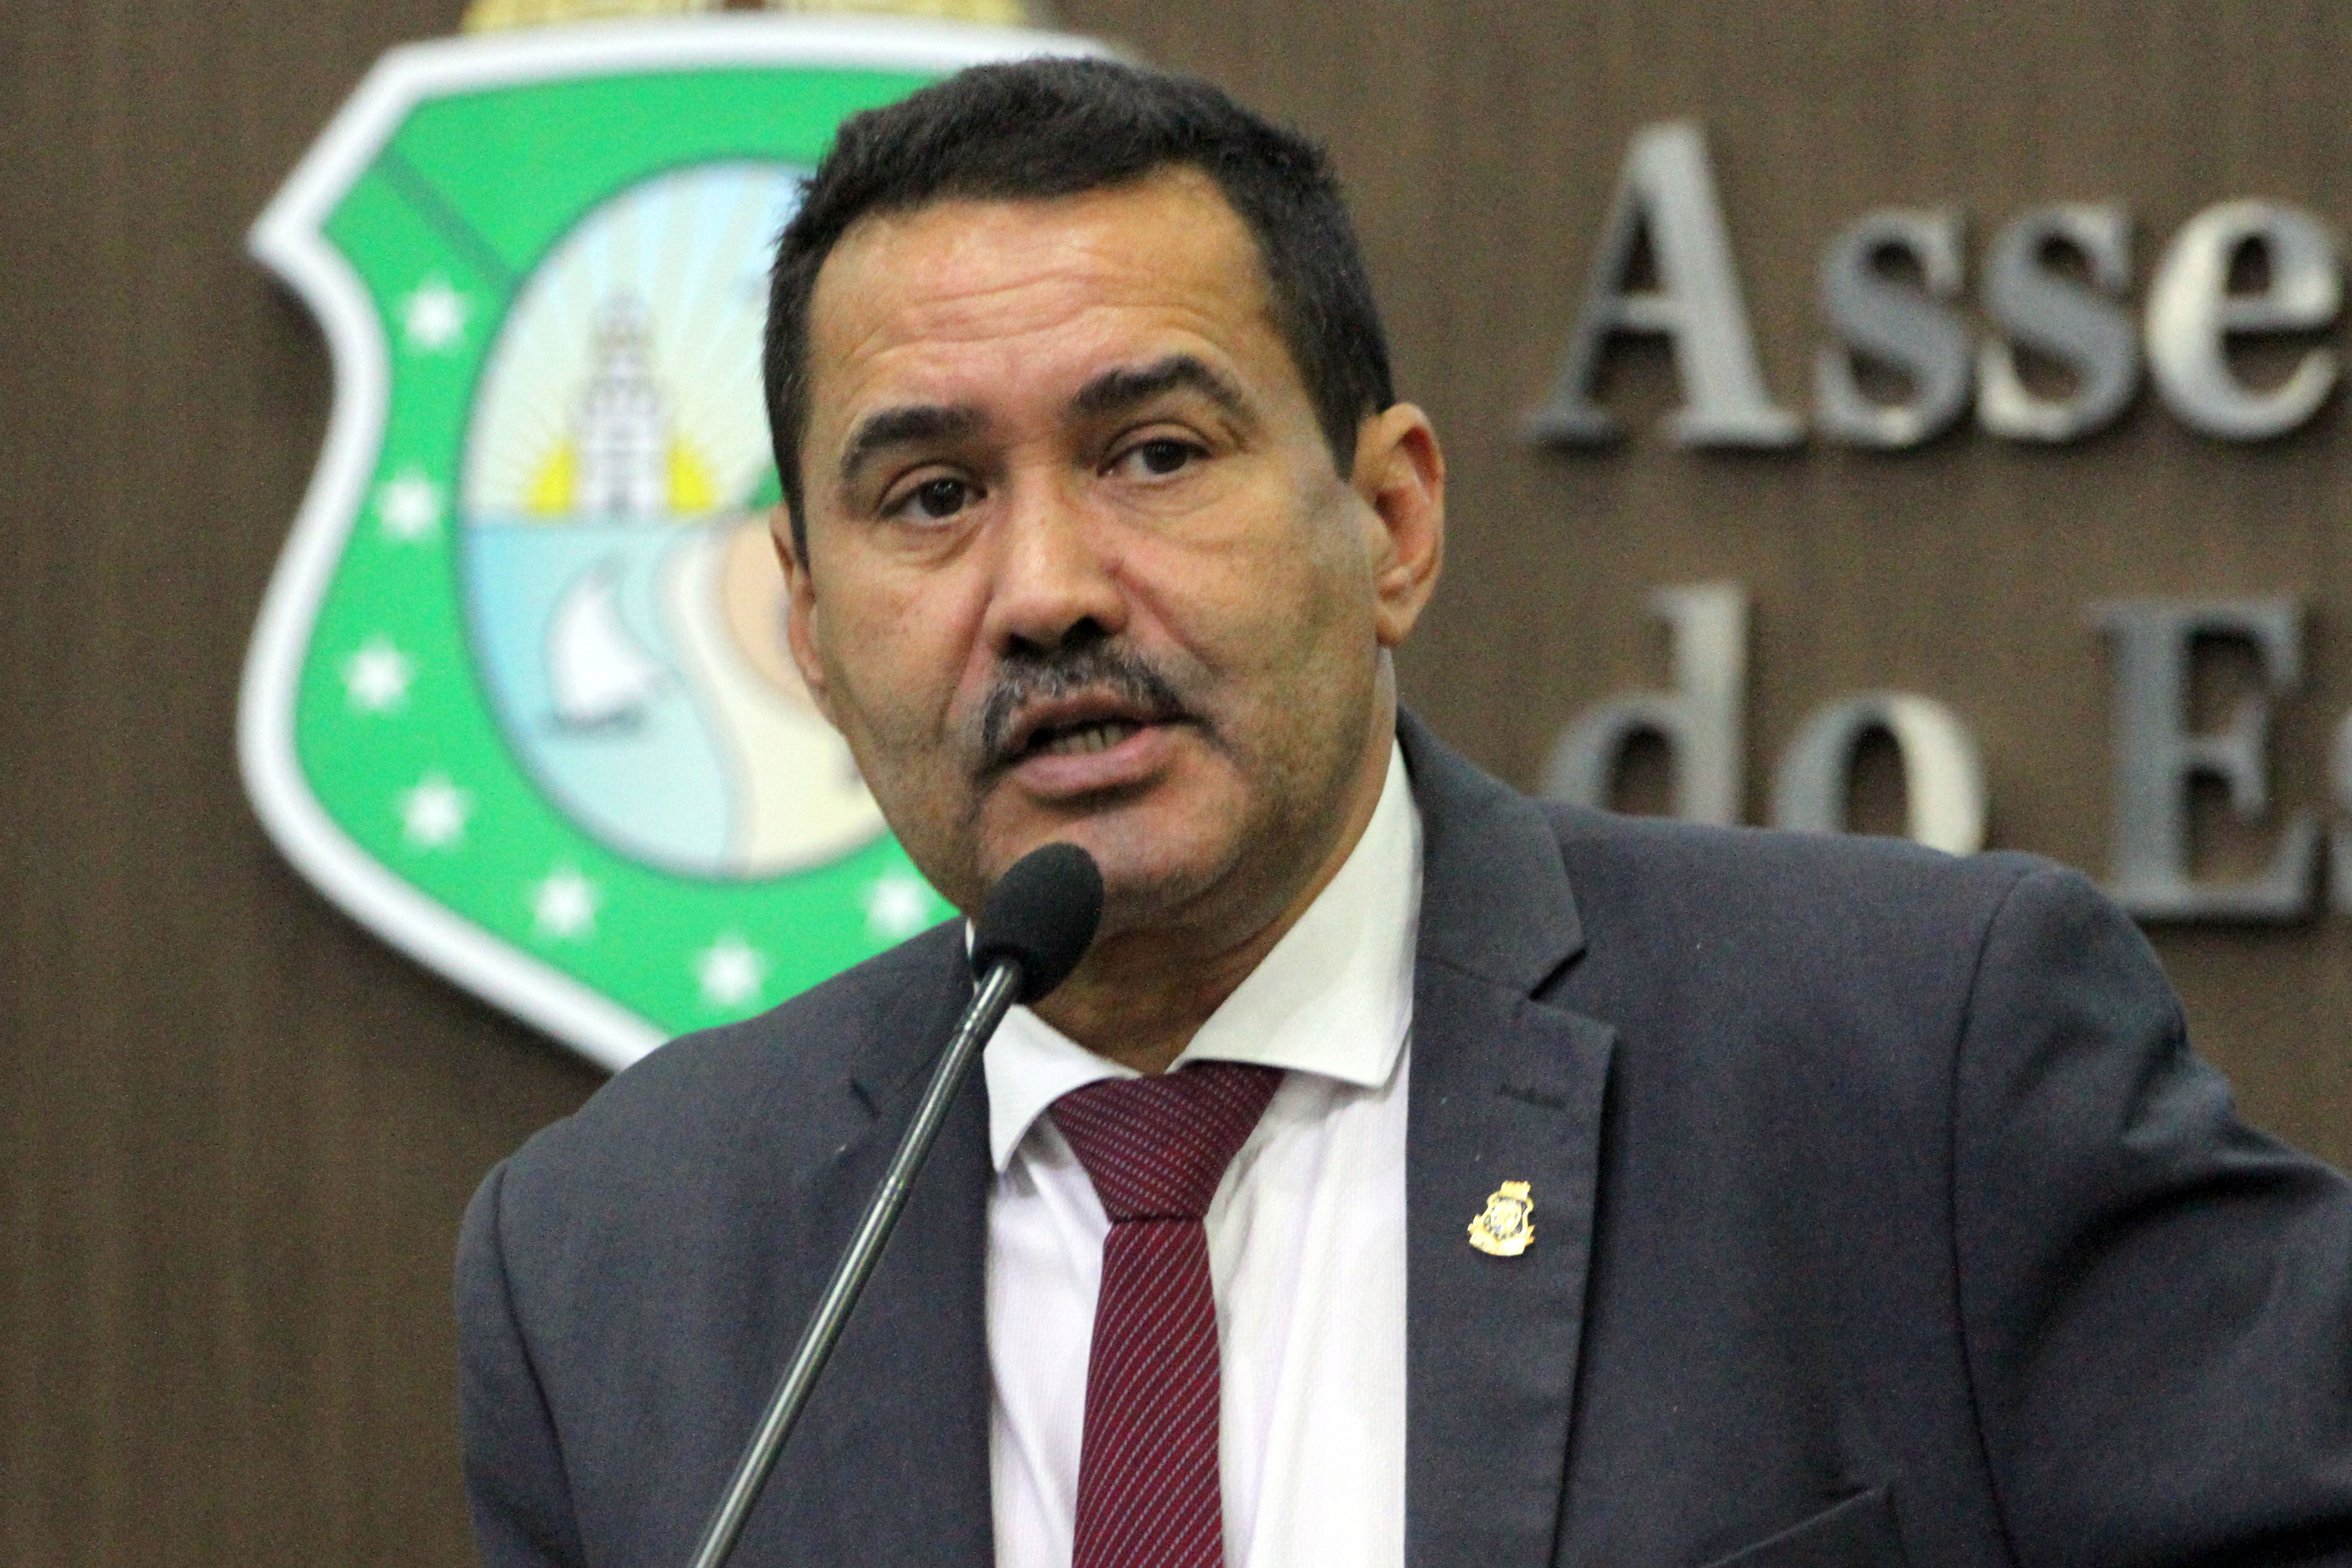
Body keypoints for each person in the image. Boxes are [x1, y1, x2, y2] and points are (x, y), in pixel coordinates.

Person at [456, 58, 2352, 1568]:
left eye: (1155, 454)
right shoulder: (618, 1257)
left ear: (1393, 522)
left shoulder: (1913, 1056)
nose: (1046, 592)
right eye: (933, 497)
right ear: (806, 623)